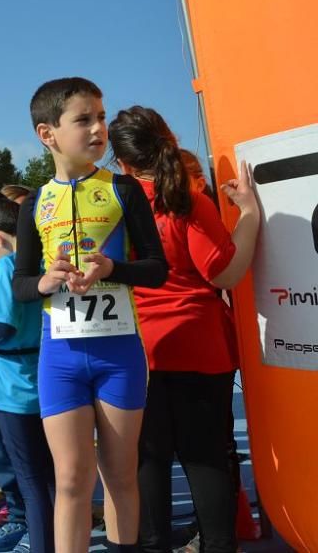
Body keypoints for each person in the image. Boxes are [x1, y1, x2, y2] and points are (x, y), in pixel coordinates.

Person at [12, 77, 168, 553]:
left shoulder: (124, 190)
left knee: (120, 476)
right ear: (48, 134)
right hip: (60, 359)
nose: (99, 127)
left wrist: (112, 268)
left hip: (119, 354)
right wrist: (45, 281)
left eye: (101, 116)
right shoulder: (36, 203)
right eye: (84, 119)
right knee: (72, 481)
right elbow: (20, 286)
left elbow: (158, 269)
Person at [109, 106, 260, 553]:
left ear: (121, 161)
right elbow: (224, 274)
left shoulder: (112, 205)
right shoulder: (187, 200)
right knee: (206, 455)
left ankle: (153, 544)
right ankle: (218, 544)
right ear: (168, 139)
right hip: (198, 341)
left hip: (137, 347)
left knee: (148, 457)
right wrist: (248, 214)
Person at [0, 195, 55, 553]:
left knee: (29, 477)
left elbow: (0, 325)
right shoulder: (47, 262)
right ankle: (46, 535)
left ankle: (40, 543)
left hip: (12, 387)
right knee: (47, 475)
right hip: (46, 379)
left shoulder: (5, 269)